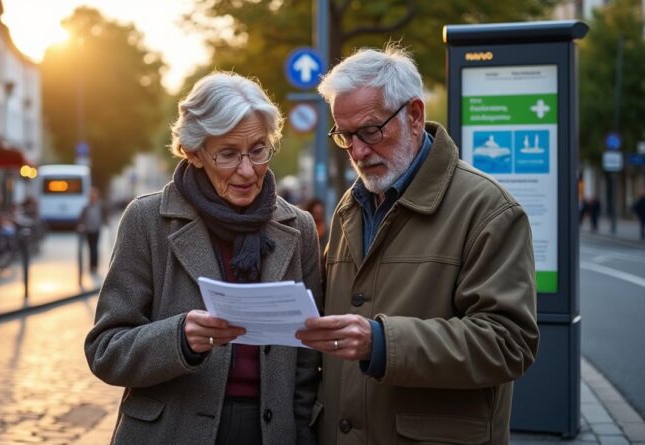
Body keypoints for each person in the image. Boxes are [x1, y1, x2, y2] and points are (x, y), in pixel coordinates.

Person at [295, 46, 539, 444]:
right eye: (345, 136)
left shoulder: (488, 208)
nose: (357, 151)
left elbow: (509, 342)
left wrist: (383, 342)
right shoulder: (350, 207)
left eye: (371, 131)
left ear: (414, 115)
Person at [85, 72, 322, 444]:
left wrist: (303, 435)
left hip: (269, 433)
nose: (247, 170)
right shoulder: (148, 220)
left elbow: (308, 363)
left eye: (258, 149)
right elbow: (106, 351)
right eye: (228, 154)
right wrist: (179, 338)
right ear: (193, 152)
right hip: (170, 431)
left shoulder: (300, 227)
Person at [77, 186, 107, 274]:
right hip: (88, 230)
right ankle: (91, 266)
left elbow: (104, 215)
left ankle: (95, 266)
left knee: (95, 248)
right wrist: (81, 225)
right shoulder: (86, 207)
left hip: (97, 229)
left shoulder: (100, 206)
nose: (93, 198)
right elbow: (81, 218)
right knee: (91, 248)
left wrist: (105, 222)